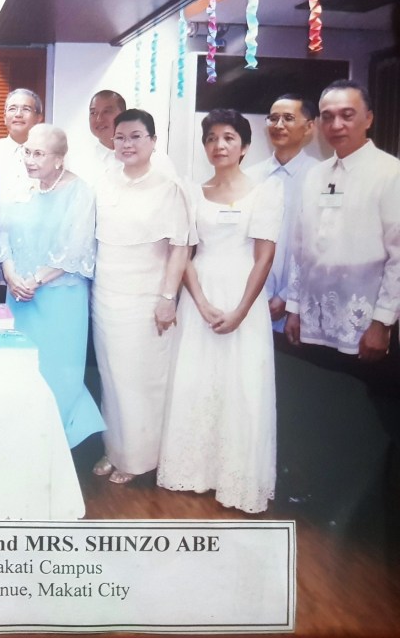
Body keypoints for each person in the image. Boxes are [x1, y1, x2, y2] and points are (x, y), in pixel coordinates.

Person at [158, 109, 282, 513]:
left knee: (241, 386)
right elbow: (185, 253)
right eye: (211, 138)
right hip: (200, 297)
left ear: (245, 146)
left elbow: (264, 258)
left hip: (244, 296)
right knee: (196, 380)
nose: (219, 145)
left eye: (229, 137)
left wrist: (241, 311)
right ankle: (193, 471)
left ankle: (235, 478)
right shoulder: (192, 192)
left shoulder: (265, 192)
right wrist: (201, 302)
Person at [285, 80, 400, 446]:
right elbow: (300, 247)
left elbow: (398, 255)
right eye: (328, 117)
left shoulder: (390, 172)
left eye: (347, 116)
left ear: (368, 118)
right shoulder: (316, 175)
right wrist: (293, 307)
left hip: (364, 325)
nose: (336, 125)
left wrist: (382, 322)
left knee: (365, 422)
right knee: (320, 411)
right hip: (315, 321)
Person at [91, 108, 190, 484]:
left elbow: (180, 247)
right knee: (112, 377)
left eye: (135, 136)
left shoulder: (168, 186)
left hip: (145, 296)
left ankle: (139, 458)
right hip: (106, 295)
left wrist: (168, 297)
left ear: (152, 141)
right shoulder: (105, 181)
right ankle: (114, 448)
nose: (127, 144)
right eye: (120, 137)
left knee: (139, 381)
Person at [0, 122, 104, 448]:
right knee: (20, 370)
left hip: (60, 300)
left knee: (58, 373)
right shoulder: (20, 188)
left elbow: (76, 248)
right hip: (20, 297)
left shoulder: (80, 192)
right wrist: (12, 275)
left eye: (38, 154)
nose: (29, 159)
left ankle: (55, 444)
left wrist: (34, 280)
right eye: (27, 152)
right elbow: (3, 233)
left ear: (59, 159)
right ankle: (22, 441)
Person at [246, 94, 318, 333]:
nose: (278, 125)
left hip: (299, 306)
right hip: (252, 300)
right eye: (273, 118)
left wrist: (289, 296)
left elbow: (319, 244)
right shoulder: (250, 177)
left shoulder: (320, 177)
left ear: (309, 127)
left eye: (288, 118)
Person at [0, 88, 43, 302]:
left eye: (26, 109)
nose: (18, 114)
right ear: (4, 117)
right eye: (12, 109)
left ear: (39, 117)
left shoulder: (52, 155)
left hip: (35, 252)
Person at [67, 89, 177, 187]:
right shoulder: (78, 162)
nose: (99, 119)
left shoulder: (156, 159)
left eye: (107, 111)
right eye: (93, 112)